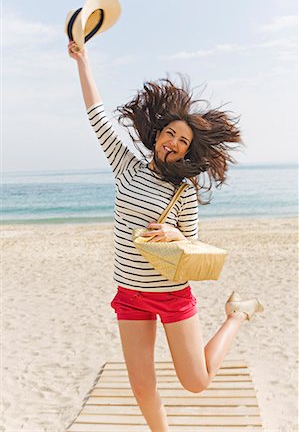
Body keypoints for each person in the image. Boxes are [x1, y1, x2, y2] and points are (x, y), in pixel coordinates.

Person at [67, 40, 264, 432]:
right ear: (157, 135)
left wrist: (175, 232)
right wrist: (83, 61)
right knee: (142, 387)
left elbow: (192, 246)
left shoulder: (185, 190)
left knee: (197, 382)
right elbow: (97, 116)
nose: (173, 143)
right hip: (130, 294)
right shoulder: (127, 167)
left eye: (183, 141)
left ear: (188, 151)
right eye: (170, 134)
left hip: (172, 293)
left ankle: (236, 315)